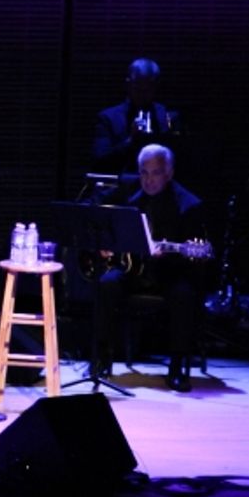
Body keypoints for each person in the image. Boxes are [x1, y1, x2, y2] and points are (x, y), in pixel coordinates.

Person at [91, 143, 209, 392]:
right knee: (107, 284)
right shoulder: (128, 189)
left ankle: (176, 367)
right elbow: (96, 210)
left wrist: (168, 255)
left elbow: (194, 256)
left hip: (168, 271)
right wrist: (105, 242)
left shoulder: (188, 204)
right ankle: (102, 357)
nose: (148, 179)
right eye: (144, 172)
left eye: (155, 173)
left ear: (169, 173)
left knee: (184, 294)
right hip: (131, 269)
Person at [93, 58, 176, 176]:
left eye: (148, 89)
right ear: (128, 85)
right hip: (119, 189)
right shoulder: (108, 118)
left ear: (156, 87)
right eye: (138, 88)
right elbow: (99, 163)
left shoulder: (166, 115)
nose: (143, 94)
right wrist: (130, 141)